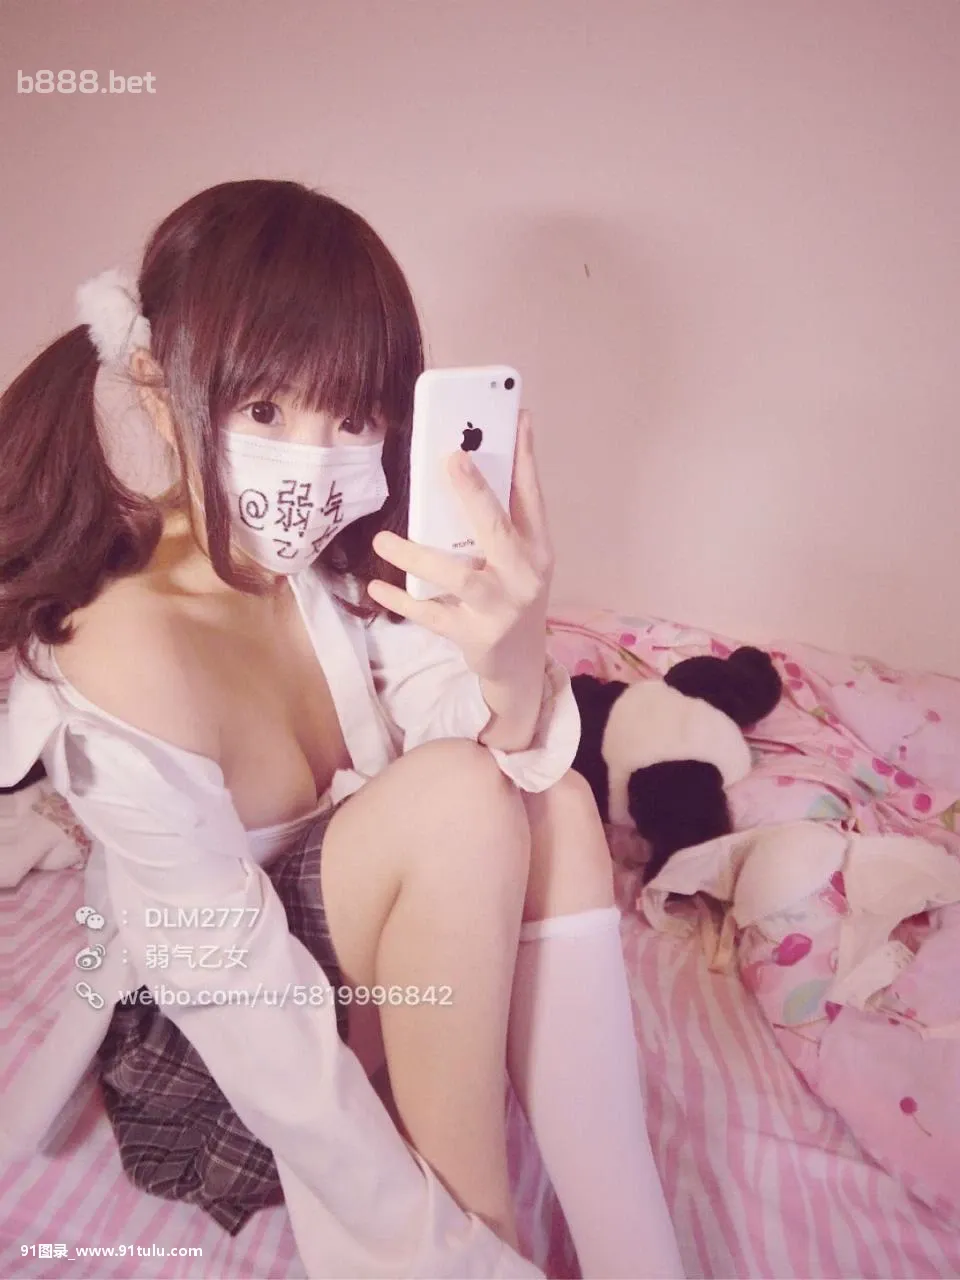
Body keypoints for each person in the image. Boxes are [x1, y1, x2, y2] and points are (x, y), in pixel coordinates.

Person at [0, 179, 684, 1279]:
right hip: (218, 1070)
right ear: (160, 388)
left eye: (351, 417)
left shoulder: (325, 574)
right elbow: (246, 1013)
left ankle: (640, 1260)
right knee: (458, 798)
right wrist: (458, 1260)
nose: (311, 461)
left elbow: (491, 741)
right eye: (265, 410)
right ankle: (491, 1238)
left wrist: (513, 654)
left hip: (343, 989)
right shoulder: (126, 651)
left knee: (550, 799)